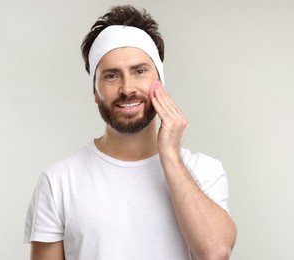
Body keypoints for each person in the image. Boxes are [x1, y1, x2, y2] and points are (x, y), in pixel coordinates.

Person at [23, 5, 237, 260]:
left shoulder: (204, 171)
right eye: (111, 76)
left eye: (140, 71)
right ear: (95, 91)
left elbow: (215, 253)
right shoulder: (58, 181)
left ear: (160, 82)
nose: (127, 88)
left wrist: (169, 155)